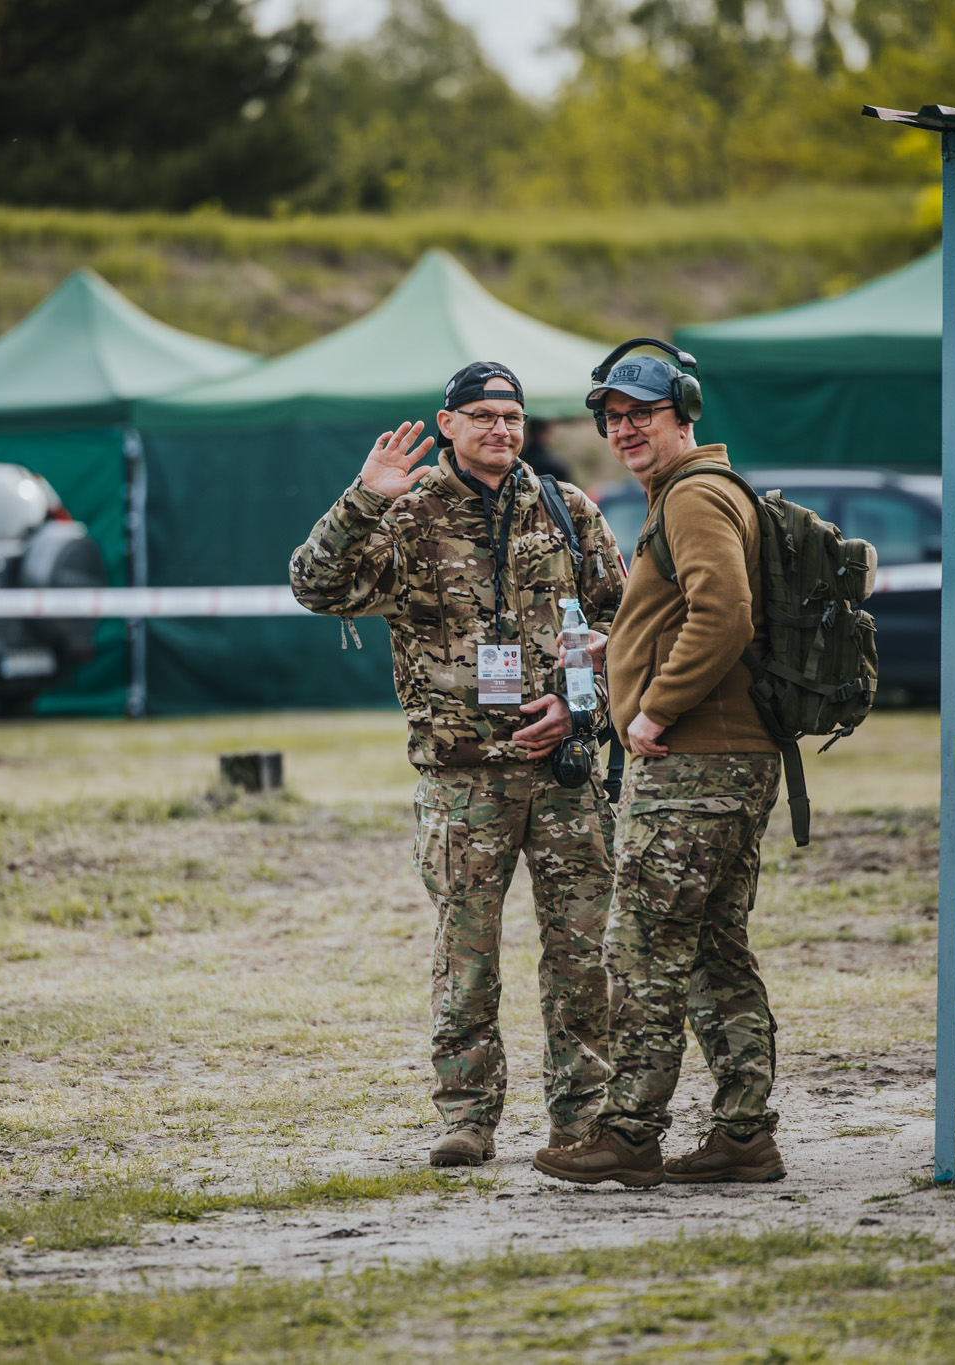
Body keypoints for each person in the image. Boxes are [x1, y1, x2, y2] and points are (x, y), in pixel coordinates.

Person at [289, 362, 628, 1166]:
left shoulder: (566, 507)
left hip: (564, 774)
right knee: (466, 954)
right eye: (482, 416)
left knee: (583, 953)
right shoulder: (405, 516)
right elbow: (315, 584)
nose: (501, 430)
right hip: (464, 780)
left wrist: (586, 709)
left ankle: (582, 1118)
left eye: (511, 416)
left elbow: (624, 621)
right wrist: (364, 497)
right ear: (448, 425)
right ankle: (469, 1116)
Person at [533, 347, 786, 1187]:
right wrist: (624, 647)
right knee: (714, 946)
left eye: (641, 411)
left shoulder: (694, 497)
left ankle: (630, 1132)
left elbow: (726, 613)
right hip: (724, 757)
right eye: (611, 416)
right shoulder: (686, 495)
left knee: (643, 943)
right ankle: (744, 1132)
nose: (624, 428)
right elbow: (693, 609)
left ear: (685, 411)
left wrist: (654, 706)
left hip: (695, 761)